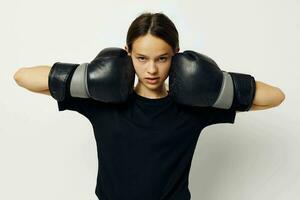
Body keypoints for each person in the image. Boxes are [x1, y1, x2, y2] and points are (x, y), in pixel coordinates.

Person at [13, 12, 285, 200]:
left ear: (176, 57)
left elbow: (275, 97)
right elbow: (23, 77)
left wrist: (216, 82)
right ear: (127, 53)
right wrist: (90, 75)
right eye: (141, 58)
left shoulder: (194, 106)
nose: (151, 69)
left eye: (162, 58)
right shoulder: (101, 101)